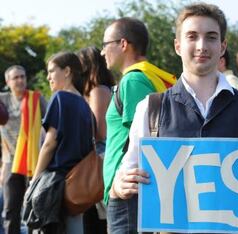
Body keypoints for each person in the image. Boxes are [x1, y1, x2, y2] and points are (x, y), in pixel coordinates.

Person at [111, 2, 238, 232]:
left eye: (211, 37)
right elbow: (125, 177)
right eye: (192, 36)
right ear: (178, 45)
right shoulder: (150, 108)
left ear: (222, 46)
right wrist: (120, 185)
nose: (202, 46)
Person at [100, 17, 176, 233]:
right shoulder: (149, 75)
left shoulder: (133, 80)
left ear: (123, 44)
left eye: (105, 45)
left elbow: (143, 138)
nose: (102, 52)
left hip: (128, 192)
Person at [32, 52, 94, 233]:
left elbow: (50, 143)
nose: (48, 77)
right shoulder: (85, 105)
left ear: (67, 71)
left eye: (52, 71)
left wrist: (34, 180)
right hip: (78, 186)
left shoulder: (60, 98)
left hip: (54, 185)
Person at [0, 65, 47, 234]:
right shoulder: (2, 100)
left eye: (23, 76)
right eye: (15, 77)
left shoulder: (36, 99)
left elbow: (51, 126)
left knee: (32, 210)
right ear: (7, 81)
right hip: (10, 163)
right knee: (10, 211)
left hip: (34, 163)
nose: (20, 80)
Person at [77, 46, 115, 234]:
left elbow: (99, 131)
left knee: (102, 218)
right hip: (96, 153)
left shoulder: (98, 90)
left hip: (100, 154)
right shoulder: (93, 90)